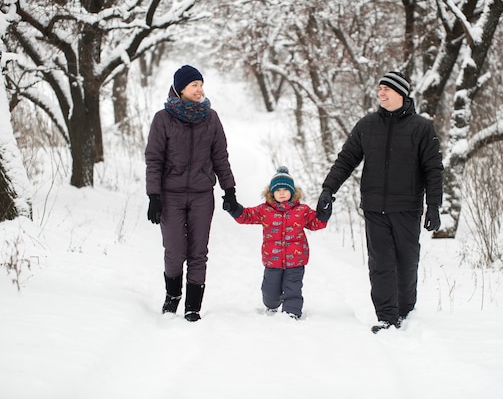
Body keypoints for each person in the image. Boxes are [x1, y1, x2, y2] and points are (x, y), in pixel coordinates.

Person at [316, 70, 443, 333]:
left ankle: (406, 310)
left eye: (386, 89)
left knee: (406, 262)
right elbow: (346, 159)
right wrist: (329, 189)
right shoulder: (367, 125)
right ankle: (386, 317)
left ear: (401, 93)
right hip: (374, 207)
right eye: (379, 89)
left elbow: (433, 169)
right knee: (380, 263)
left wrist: (434, 205)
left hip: (407, 207)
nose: (381, 93)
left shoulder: (421, 127)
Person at [145, 64, 240, 322]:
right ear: (181, 89)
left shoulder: (211, 118)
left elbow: (220, 156)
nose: (200, 89)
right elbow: (154, 159)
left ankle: (193, 306)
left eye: (201, 84)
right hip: (170, 195)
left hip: (201, 195)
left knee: (199, 251)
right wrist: (154, 196)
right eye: (194, 85)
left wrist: (229, 189)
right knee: (175, 251)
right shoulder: (163, 119)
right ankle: (173, 296)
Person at [223, 166, 330, 319]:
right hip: (272, 260)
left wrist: (324, 214)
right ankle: (271, 305)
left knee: (293, 289)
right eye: (278, 190)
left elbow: (315, 223)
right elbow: (246, 216)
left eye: (285, 190)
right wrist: (234, 208)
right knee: (270, 292)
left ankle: (291, 313)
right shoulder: (264, 210)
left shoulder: (302, 210)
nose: (281, 193)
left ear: (292, 192)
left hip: (296, 260)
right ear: (271, 192)